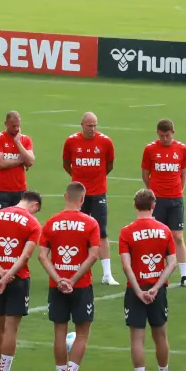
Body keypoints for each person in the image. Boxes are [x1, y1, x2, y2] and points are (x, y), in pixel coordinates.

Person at [37, 182, 100, 371]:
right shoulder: (90, 223)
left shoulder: (51, 222)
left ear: (65, 196)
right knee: (82, 334)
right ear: (82, 199)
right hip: (81, 286)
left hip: (57, 286)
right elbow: (93, 255)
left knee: (59, 333)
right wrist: (72, 280)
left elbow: (42, 255)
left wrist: (59, 278)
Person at [0, 190, 43, 371]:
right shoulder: (32, 223)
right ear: (34, 205)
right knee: (11, 329)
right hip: (18, 279)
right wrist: (8, 277)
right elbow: (24, 257)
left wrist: (0, 273)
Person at [119, 188, 178, 371]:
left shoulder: (127, 231)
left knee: (137, 338)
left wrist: (138, 290)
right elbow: (172, 263)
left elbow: (126, 266)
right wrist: (155, 288)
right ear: (154, 206)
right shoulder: (165, 230)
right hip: (158, 290)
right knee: (160, 335)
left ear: (135, 205)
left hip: (135, 290)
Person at [62, 112, 118, 285]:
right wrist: (79, 181)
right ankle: (75, 268)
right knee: (78, 231)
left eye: (95, 125)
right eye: (89, 125)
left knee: (101, 232)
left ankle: (107, 274)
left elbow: (109, 165)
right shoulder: (71, 141)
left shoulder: (105, 142)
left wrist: (98, 179)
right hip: (79, 195)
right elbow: (66, 163)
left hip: (98, 192)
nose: (92, 129)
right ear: (82, 125)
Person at [141, 119, 186, 289]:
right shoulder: (150, 149)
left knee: (178, 236)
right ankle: (154, 273)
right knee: (157, 237)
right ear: (157, 133)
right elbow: (145, 174)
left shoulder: (181, 149)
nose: (165, 138)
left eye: (168, 135)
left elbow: (184, 172)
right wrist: (153, 192)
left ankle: (185, 276)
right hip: (158, 200)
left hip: (176, 199)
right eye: (162, 135)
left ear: (173, 132)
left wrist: (179, 190)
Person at [0, 111, 35, 214]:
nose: (16, 129)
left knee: (19, 225)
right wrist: (21, 160)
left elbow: (30, 161)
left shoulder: (25, 140)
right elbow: (0, 164)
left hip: (20, 190)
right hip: (1, 191)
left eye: (18, 126)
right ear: (6, 124)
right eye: (13, 126)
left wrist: (18, 142)